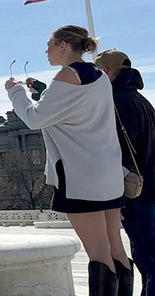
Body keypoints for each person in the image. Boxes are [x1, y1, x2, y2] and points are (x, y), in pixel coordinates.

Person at [5, 25, 128, 296]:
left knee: (98, 253)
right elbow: (72, 110)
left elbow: (35, 119)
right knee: (115, 248)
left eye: (49, 45)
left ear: (63, 45)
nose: (46, 50)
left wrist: (16, 93)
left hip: (81, 175)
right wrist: (42, 92)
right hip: (108, 172)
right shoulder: (100, 75)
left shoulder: (66, 75)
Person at [95, 49, 155, 296]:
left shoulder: (116, 102)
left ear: (107, 72)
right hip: (149, 189)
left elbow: (116, 153)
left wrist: (116, 199)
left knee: (149, 259)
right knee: (146, 259)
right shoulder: (142, 100)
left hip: (136, 193)